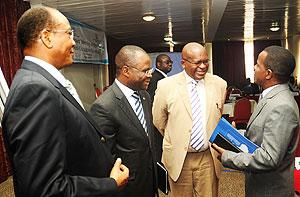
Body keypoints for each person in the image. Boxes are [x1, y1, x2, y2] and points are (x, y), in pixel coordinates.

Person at [1, 6, 129, 197]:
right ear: (47, 37)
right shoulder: (35, 90)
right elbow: (43, 188)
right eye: (69, 33)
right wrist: (109, 185)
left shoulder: (42, 82)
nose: (74, 42)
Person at [212, 46, 299, 197]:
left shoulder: (282, 106)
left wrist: (228, 156)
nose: (254, 67)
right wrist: (238, 134)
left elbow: (269, 158)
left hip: (271, 190)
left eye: (258, 64)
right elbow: (263, 134)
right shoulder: (270, 96)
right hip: (260, 185)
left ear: (268, 74)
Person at [152, 42, 227, 197]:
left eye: (206, 61)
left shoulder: (219, 84)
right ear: (183, 63)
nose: (203, 66)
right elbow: (159, 121)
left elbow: (218, 116)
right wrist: (178, 136)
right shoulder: (165, 85)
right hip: (179, 158)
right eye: (197, 62)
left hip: (208, 157)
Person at [89, 45, 157, 197]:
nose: (150, 75)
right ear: (126, 71)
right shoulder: (104, 106)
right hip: (127, 188)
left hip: (149, 181)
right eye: (145, 71)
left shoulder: (145, 96)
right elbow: (104, 157)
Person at [146, 54, 173, 163]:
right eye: (167, 62)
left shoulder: (161, 78)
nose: (170, 64)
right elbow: (153, 103)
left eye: (171, 62)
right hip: (157, 122)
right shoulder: (156, 79)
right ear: (158, 64)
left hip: (160, 121)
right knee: (159, 151)